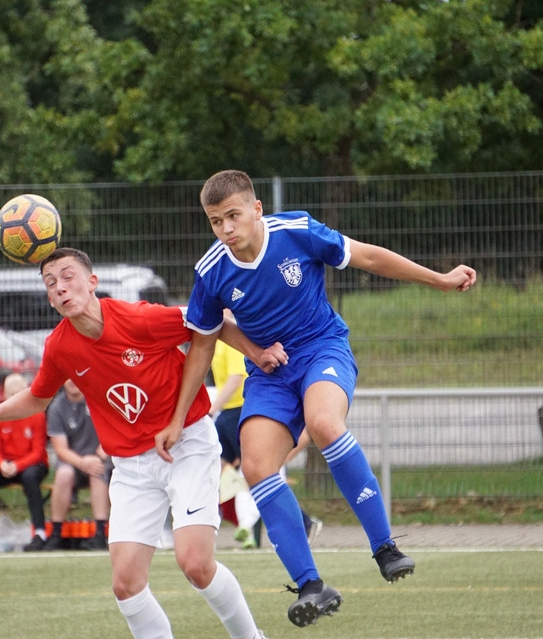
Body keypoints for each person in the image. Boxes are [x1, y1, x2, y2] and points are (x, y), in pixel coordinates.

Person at [174, 169, 477, 628]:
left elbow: (368, 257)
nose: (226, 229)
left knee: (324, 423)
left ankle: (385, 547)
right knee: (256, 466)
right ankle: (311, 585)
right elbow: (203, 341)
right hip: (271, 375)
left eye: (233, 216)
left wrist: (439, 279)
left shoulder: (296, 231)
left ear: (257, 209)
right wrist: (179, 416)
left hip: (322, 349)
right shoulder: (212, 270)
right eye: (216, 221)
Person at [0, 247, 277, 639]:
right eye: (50, 283)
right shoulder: (60, 346)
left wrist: (258, 353)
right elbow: (38, 397)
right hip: (131, 466)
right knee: (126, 584)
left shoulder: (139, 318)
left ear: (92, 282)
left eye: (68, 276)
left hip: (187, 445)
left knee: (196, 565)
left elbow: (211, 321)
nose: (60, 288)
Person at [211, 337, 323, 550]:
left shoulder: (232, 338)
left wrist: (213, 407)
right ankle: (238, 525)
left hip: (239, 410)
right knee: (218, 472)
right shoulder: (212, 340)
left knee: (258, 474)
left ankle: (299, 522)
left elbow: (236, 378)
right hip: (227, 414)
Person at [0, 373, 50, 553]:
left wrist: (18, 466)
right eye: (11, 394)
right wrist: (1, 465)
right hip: (6, 466)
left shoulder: (37, 415)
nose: (15, 398)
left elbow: (38, 452)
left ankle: (39, 533)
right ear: (5, 395)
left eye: (19, 393)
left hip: (33, 465)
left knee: (30, 478)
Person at [44, 379, 111, 551]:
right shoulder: (56, 408)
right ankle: (56, 534)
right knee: (63, 474)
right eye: (66, 377)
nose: (71, 381)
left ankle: (100, 534)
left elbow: (111, 430)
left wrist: (98, 456)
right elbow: (60, 449)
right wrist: (82, 463)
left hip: (98, 459)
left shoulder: (98, 399)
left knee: (98, 472)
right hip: (73, 462)